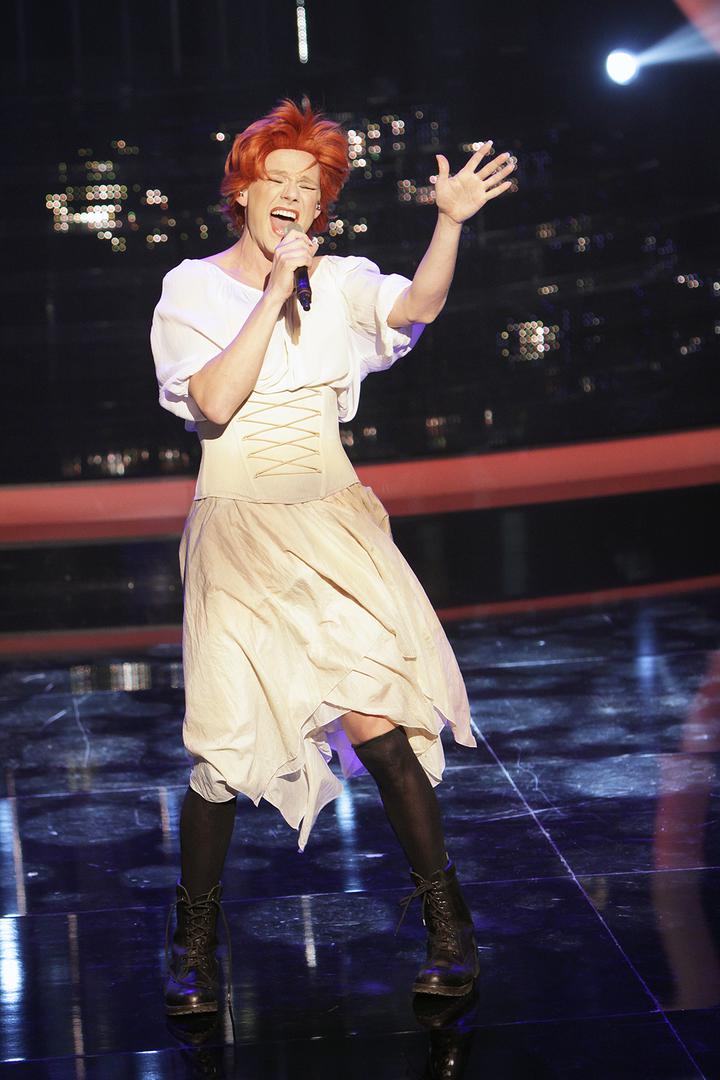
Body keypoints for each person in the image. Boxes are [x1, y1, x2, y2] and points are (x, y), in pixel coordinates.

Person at [150, 97, 517, 1019]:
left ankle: (450, 929)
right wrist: (274, 292)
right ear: (243, 192)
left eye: (307, 187)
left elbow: (415, 306)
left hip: (332, 525)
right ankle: (194, 942)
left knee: (380, 725)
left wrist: (448, 224)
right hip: (238, 535)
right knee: (224, 753)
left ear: (322, 207)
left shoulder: (342, 279)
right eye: (274, 180)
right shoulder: (190, 289)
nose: (290, 196)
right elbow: (215, 403)